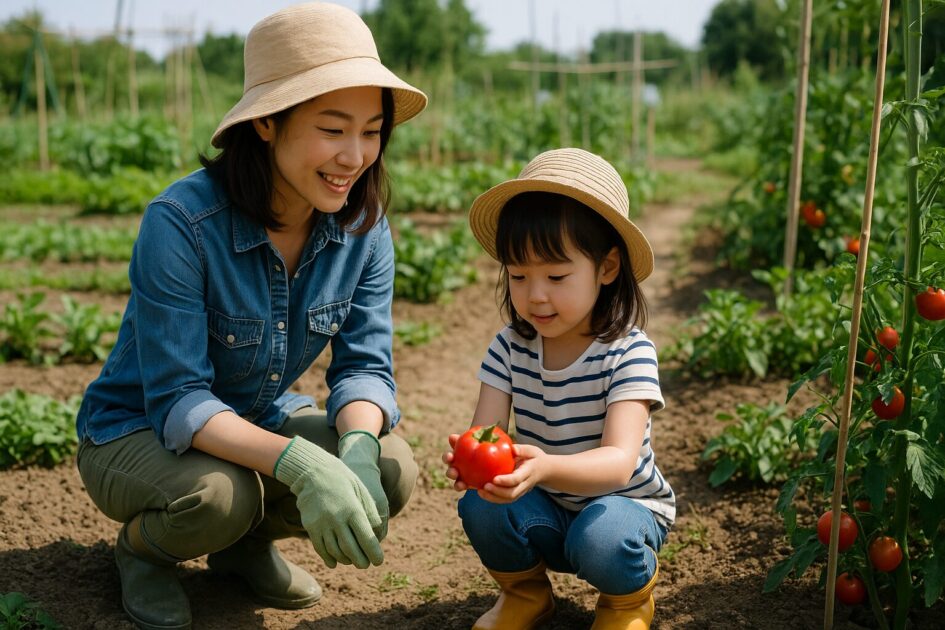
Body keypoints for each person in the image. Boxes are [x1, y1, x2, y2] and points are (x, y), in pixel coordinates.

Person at [74, 3, 427, 628]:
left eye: (371, 131)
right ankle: (144, 553)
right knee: (217, 495)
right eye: (332, 128)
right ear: (267, 122)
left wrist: (360, 448)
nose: (355, 156)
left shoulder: (365, 230)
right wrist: (297, 463)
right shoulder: (182, 223)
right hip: (135, 429)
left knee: (392, 467)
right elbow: (179, 397)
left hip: (254, 415)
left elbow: (366, 366)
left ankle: (241, 550)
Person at [443, 148, 675, 630]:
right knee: (481, 503)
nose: (535, 294)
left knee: (603, 536)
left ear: (607, 268)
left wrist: (546, 465)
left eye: (556, 275)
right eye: (519, 275)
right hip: (547, 507)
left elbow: (619, 462)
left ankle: (626, 603)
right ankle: (524, 595)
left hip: (622, 510)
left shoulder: (628, 352)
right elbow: (487, 432)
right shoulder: (510, 348)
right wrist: (473, 461)